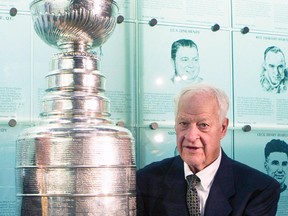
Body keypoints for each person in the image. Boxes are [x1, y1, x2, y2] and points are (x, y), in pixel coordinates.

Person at [137, 83, 280, 216]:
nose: (191, 136)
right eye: (184, 123)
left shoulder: (258, 189)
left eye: (203, 125)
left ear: (222, 128)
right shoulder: (145, 181)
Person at [264, 139, 288, 216]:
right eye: (275, 163)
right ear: (266, 165)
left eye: (284, 164)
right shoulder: (252, 194)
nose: (280, 170)